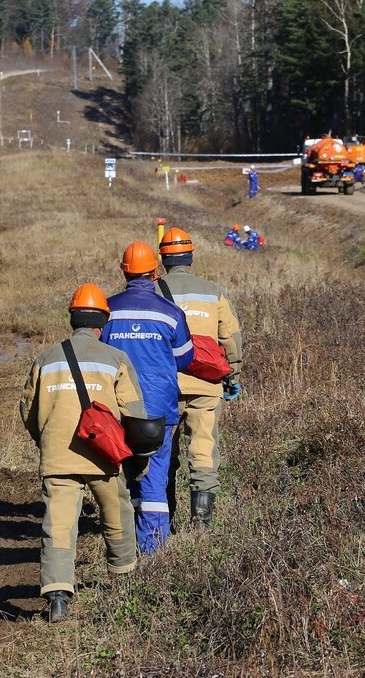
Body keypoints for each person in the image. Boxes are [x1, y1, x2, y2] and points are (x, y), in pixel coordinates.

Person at [19, 283, 164, 622]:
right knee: (117, 513)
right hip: (103, 456)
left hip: (57, 458)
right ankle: (124, 579)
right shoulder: (115, 358)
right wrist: (137, 456)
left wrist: (46, 440)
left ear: (72, 319)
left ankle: (57, 598)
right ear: (102, 322)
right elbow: (135, 413)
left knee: (58, 525)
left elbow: (28, 410)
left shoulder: (47, 358)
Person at [102, 242, 194, 554]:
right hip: (159, 412)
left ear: (123, 271)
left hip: (116, 413)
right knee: (155, 480)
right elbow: (184, 358)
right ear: (155, 272)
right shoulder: (170, 313)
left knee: (124, 478)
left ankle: (123, 545)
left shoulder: (107, 310)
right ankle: (153, 551)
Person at [158, 227, 243, 527]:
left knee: (162, 455)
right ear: (191, 256)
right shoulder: (213, 291)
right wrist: (233, 375)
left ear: (162, 258)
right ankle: (201, 524)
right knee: (204, 450)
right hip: (206, 387)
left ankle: (162, 521)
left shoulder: (154, 292)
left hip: (164, 387)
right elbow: (231, 339)